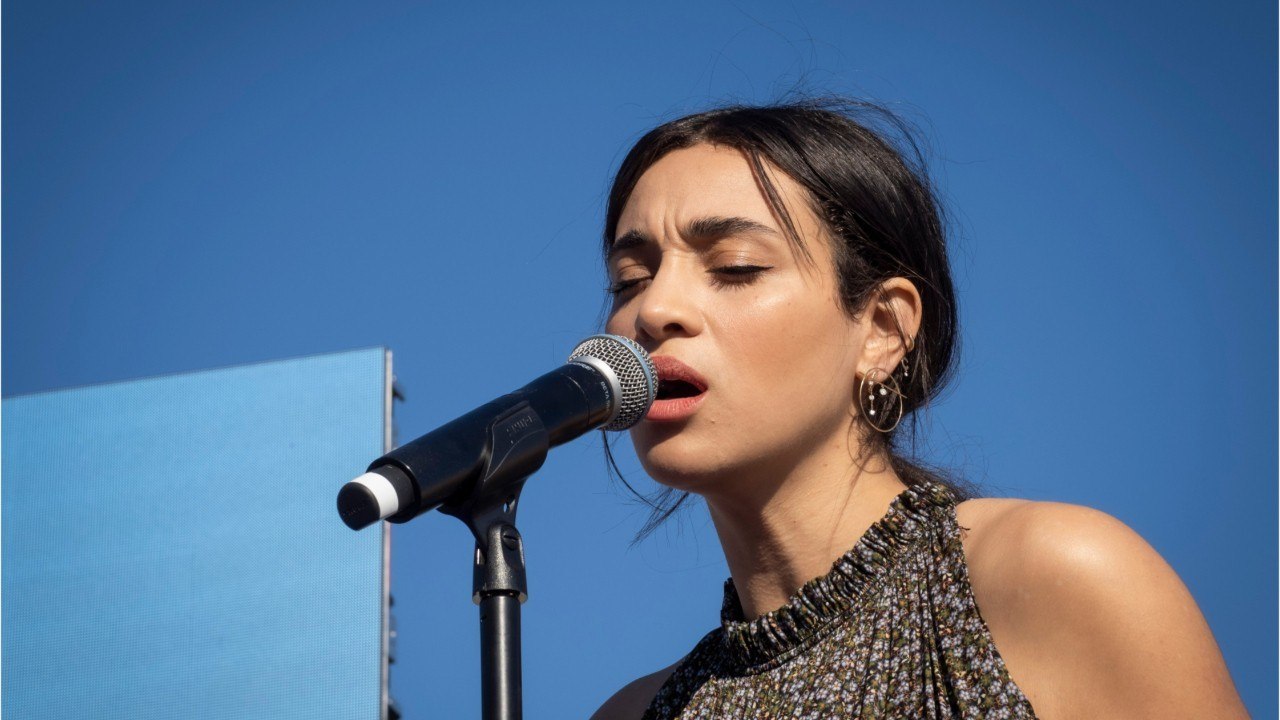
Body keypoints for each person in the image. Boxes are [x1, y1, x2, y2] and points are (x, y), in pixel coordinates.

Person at [588, 101, 1249, 719]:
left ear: (883, 329)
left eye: (734, 266)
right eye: (631, 280)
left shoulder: (1051, 578)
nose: (653, 310)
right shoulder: (635, 713)